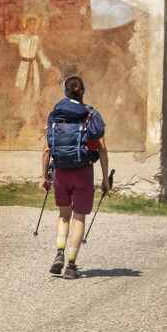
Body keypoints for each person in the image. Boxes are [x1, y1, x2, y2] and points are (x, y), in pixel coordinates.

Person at [40, 74, 113, 280]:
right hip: (83, 172)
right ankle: (71, 266)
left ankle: (59, 254)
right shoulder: (91, 114)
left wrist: (44, 177)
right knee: (79, 218)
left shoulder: (55, 115)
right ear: (83, 91)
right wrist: (105, 180)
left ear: (65, 91)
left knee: (64, 215)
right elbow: (103, 149)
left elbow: (47, 150)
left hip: (61, 172)